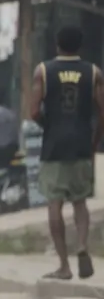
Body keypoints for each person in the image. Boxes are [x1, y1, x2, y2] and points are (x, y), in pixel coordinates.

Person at [29, 25, 103, 280]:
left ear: (57, 44)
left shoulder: (44, 71)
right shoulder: (93, 72)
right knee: (80, 203)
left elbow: (34, 111)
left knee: (55, 204)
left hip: (54, 145)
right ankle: (82, 245)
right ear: (80, 46)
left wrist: (49, 127)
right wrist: (94, 141)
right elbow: (103, 112)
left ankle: (64, 265)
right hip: (81, 144)